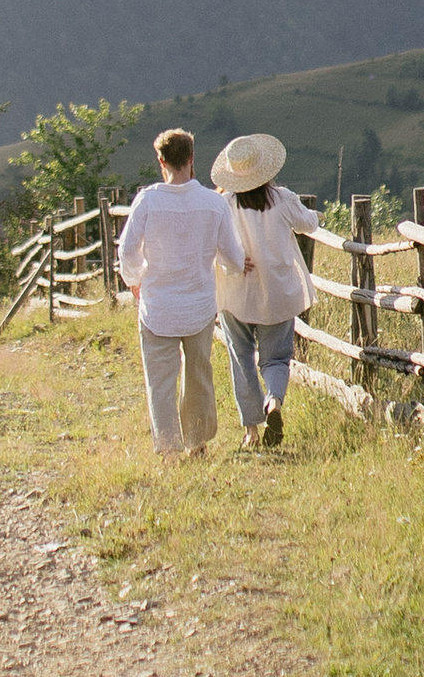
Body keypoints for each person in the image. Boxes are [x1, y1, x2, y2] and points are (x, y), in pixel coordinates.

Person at [115, 125, 244, 457]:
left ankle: (169, 449)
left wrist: (135, 279)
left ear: (161, 159)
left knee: (160, 382)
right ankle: (197, 442)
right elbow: (232, 256)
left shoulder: (148, 201)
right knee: (198, 375)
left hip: (158, 306)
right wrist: (238, 267)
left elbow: (128, 251)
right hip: (199, 306)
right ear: (191, 157)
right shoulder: (213, 204)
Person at [210, 131, 317, 448]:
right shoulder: (282, 199)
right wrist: (316, 214)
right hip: (277, 294)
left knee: (240, 357)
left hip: (236, 295)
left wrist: (231, 261)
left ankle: (252, 432)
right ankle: (274, 401)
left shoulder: (223, 205)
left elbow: (209, 243)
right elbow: (308, 224)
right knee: (275, 359)